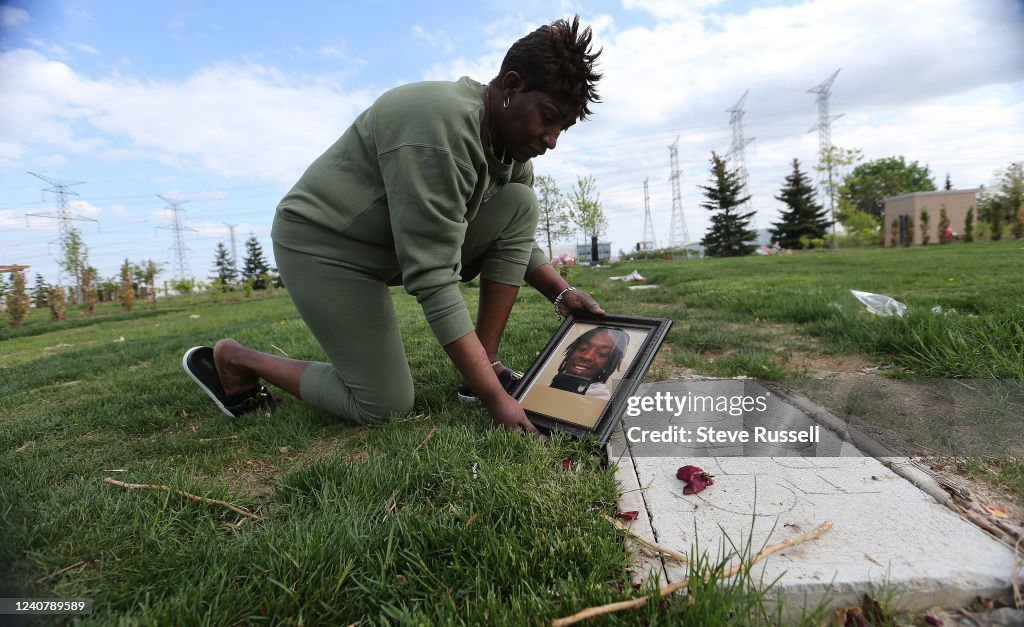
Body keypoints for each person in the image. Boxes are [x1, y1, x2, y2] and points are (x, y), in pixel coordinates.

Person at [182, 16, 605, 437]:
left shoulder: (514, 153)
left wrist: (561, 291)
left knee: (521, 201)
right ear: (512, 86)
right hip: (323, 246)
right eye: (547, 118)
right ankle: (237, 359)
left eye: (561, 130)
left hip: (386, 244)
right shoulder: (440, 127)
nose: (551, 140)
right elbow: (433, 277)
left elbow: (515, 233)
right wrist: (500, 401)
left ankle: (484, 368)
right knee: (385, 404)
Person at [549, 327, 629, 400]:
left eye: (602, 354)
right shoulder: (556, 380)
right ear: (571, 351)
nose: (587, 356)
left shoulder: (600, 398)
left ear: (608, 364)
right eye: (583, 348)